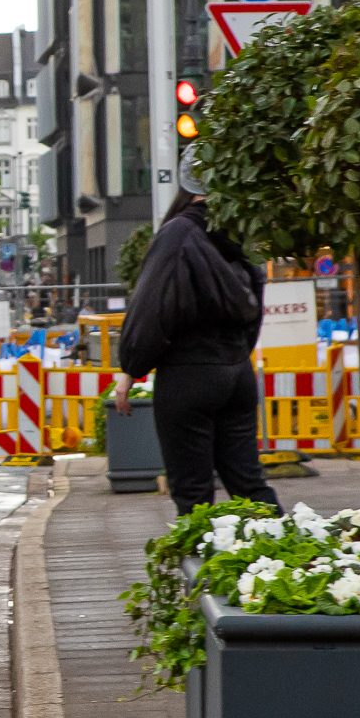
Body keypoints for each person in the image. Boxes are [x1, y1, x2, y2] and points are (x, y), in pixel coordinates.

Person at [113, 156, 279, 514]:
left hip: (189, 374)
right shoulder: (234, 233)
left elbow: (152, 305)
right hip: (237, 371)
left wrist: (131, 367)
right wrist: (236, 354)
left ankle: (202, 566)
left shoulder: (177, 234)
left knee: (192, 492)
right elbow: (255, 299)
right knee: (248, 483)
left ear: (185, 186)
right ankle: (282, 559)